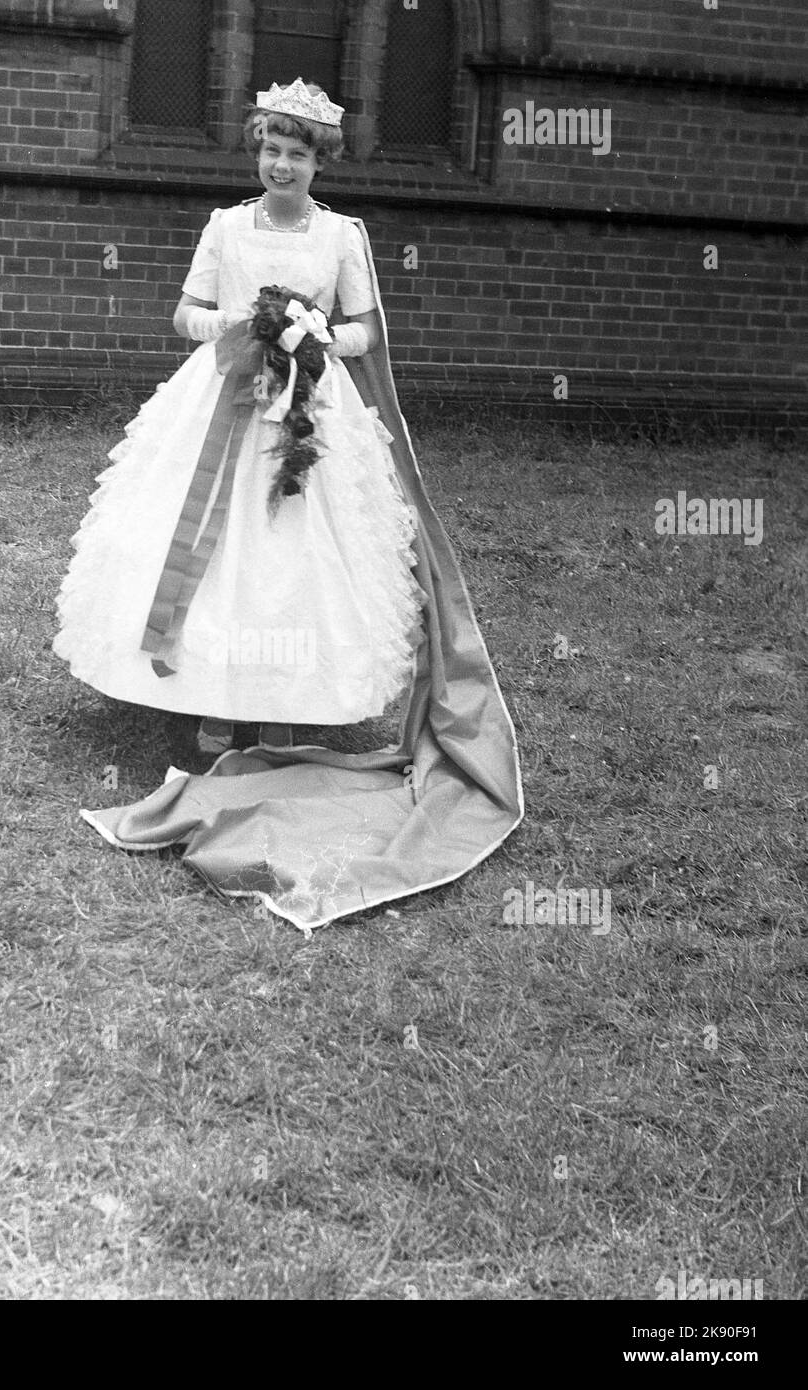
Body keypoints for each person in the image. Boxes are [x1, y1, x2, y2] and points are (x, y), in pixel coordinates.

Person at [54, 79, 524, 933]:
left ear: (318, 162)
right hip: (224, 399)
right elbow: (184, 312)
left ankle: (283, 701)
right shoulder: (226, 227)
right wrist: (244, 325)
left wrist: (308, 335)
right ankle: (210, 699)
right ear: (256, 153)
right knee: (216, 537)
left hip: (311, 411)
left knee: (293, 545)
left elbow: (366, 331)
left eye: (296, 153)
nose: (280, 164)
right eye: (270, 149)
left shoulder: (342, 235)